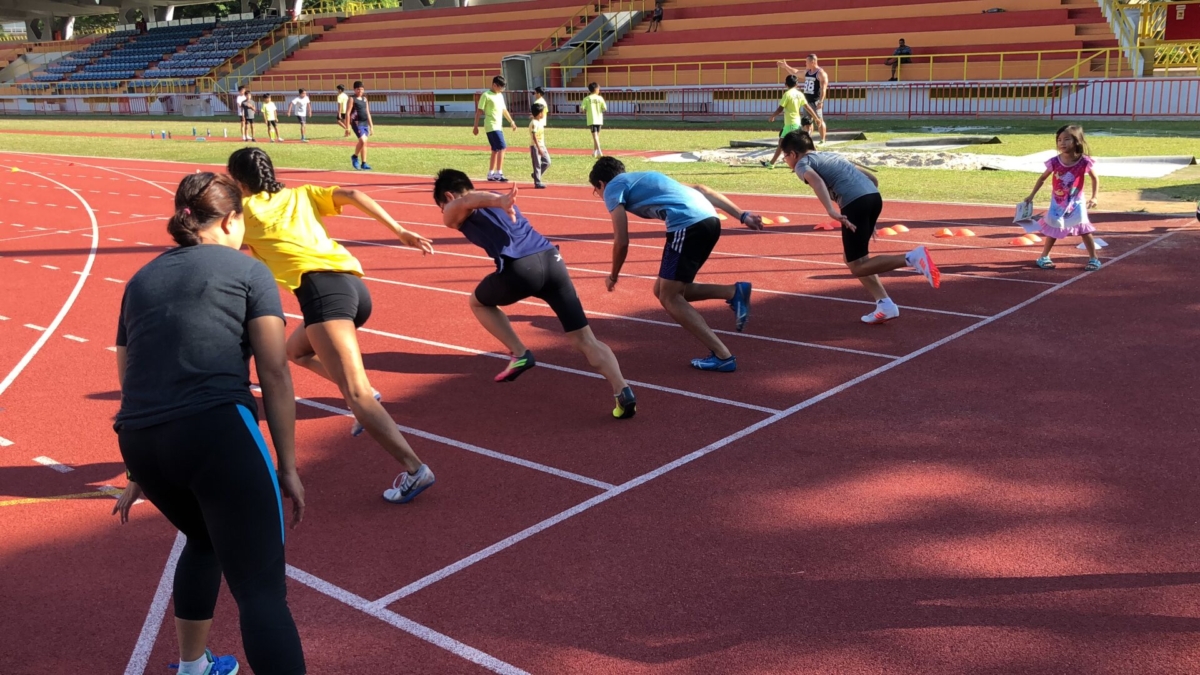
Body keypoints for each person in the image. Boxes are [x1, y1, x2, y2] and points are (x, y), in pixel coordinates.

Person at [112, 172, 306, 675]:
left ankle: (193, 666)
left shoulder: (141, 280)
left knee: (203, 539)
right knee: (262, 591)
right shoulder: (248, 272)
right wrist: (287, 464)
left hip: (140, 440)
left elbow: (127, 369)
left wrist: (135, 472)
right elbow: (276, 370)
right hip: (215, 430)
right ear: (230, 219)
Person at [226, 147, 437, 503]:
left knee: (354, 394)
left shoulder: (245, 213)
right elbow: (354, 194)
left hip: (323, 295)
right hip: (353, 288)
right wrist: (400, 230)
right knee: (295, 350)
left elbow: (226, 245)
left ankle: (416, 470)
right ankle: (367, 396)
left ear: (238, 181)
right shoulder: (302, 194)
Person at [433, 169, 638, 418]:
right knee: (585, 340)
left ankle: (520, 353)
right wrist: (500, 200)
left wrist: (498, 201)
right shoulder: (497, 195)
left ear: (447, 196)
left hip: (521, 268)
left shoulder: (460, 206)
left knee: (478, 303)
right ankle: (622, 390)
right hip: (553, 261)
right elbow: (475, 200)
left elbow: (465, 202)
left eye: (441, 206)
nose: (443, 213)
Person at [589, 158, 761, 372]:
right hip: (709, 220)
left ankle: (722, 355)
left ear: (600, 184)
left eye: (596, 191)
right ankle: (734, 291)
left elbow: (622, 241)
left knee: (669, 297)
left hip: (687, 224)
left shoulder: (613, 187)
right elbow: (701, 188)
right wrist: (742, 215)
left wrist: (613, 275)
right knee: (662, 290)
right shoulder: (644, 177)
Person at [779, 130, 939, 324]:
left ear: (793, 154)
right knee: (853, 258)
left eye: (785, 156)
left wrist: (831, 210)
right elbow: (873, 180)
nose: (786, 161)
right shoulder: (832, 155)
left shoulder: (802, 164)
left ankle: (912, 258)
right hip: (873, 198)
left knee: (857, 266)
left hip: (856, 203)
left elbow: (817, 181)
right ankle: (885, 304)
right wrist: (868, 217)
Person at [1023, 124, 1101, 271]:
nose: (1062, 143)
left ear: (1076, 141)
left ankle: (1093, 258)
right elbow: (1042, 178)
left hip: (1076, 201)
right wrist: (1031, 195)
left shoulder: (1084, 161)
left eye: (1066, 139)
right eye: (1059, 140)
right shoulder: (1054, 161)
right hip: (1058, 202)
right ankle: (1044, 256)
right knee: (1054, 227)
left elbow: (1095, 178)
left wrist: (1094, 197)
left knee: (1084, 229)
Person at [473, 75, 518, 183]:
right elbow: (479, 111)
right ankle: (499, 173)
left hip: (498, 125)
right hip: (491, 125)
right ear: (494, 85)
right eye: (500, 87)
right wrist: (475, 126)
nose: (501, 89)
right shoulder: (486, 95)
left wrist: (511, 122)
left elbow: (504, 110)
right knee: (502, 147)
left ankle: (491, 173)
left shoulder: (500, 96)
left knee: (495, 149)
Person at [778, 56, 828, 144]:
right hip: (807, 101)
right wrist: (786, 66)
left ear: (813, 62)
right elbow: (796, 72)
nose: (805, 64)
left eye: (807, 62)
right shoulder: (807, 72)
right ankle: (808, 140)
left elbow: (823, 88)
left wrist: (821, 101)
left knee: (819, 120)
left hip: (816, 101)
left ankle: (823, 140)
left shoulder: (821, 73)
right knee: (807, 122)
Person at [762, 74, 808, 169]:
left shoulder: (787, 94)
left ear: (785, 84)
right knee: (784, 143)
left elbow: (780, 108)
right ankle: (772, 163)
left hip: (790, 124)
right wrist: (816, 117)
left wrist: (772, 116)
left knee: (787, 144)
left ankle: (800, 163)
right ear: (797, 84)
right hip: (795, 122)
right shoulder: (800, 94)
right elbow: (807, 107)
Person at [348, 81, 373, 170]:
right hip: (356, 123)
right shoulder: (352, 99)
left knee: (364, 143)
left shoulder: (365, 99)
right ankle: (354, 157)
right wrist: (347, 127)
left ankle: (364, 163)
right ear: (354, 90)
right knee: (362, 141)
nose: (360, 91)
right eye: (358, 89)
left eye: (362, 89)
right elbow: (347, 113)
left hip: (364, 123)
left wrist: (371, 126)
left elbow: (368, 112)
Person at [529, 103, 551, 189]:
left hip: (542, 145)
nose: (543, 114)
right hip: (535, 146)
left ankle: (535, 175)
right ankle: (537, 182)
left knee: (547, 162)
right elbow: (534, 136)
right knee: (537, 164)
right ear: (539, 113)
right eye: (542, 112)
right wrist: (539, 148)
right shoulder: (534, 123)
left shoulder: (538, 121)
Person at [583, 82, 607, 157]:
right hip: (599, 119)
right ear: (596, 89)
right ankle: (595, 151)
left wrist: (588, 111)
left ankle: (599, 151)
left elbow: (583, 109)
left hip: (592, 119)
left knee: (595, 136)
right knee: (596, 136)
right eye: (598, 88)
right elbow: (604, 108)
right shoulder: (600, 98)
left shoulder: (587, 98)